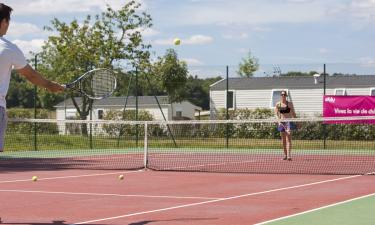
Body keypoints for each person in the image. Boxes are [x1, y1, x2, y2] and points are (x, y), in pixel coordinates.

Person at [0, 3, 64, 153]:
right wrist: (50, 85)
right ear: (4, 22)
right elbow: (31, 75)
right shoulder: (7, 48)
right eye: (8, 22)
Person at [274, 90, 297, 161]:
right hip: (281, 123)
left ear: (286, 96)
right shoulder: (278, 104)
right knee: (283, 140)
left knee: (288, 139)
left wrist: (298, 122)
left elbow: (293, 113)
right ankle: (285, 155)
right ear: (280, 96)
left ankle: (289, 156)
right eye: (282, 94)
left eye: (284, 95)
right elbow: (276, 114)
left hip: (288, 123)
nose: (283, 96)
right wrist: (279, 121)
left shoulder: (289, 104)